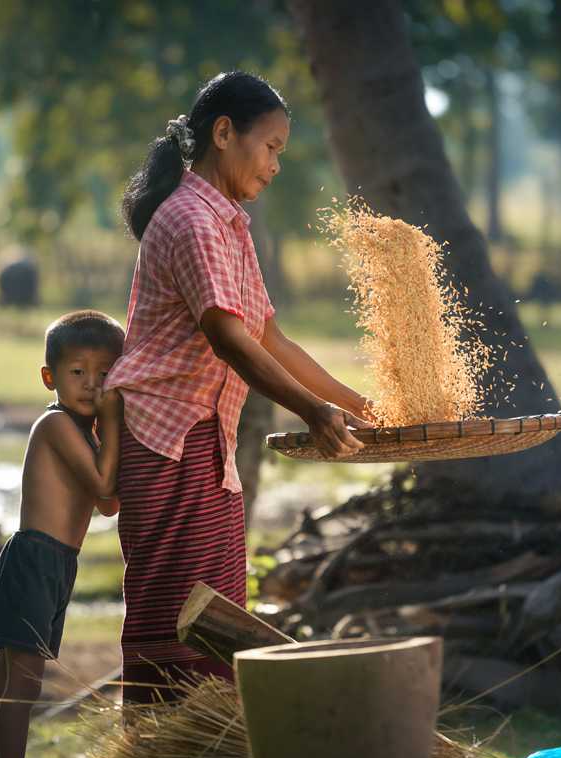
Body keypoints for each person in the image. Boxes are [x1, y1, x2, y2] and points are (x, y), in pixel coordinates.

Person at [106, 70, 373, 703]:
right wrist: (313, 410)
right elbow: (229, 337)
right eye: (272, 146)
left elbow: (271, 339)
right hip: (168, 441)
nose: (277, 165)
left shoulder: (228, 224)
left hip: (206, 442)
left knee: (220, 614)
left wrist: (363, 406)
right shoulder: (192, 219)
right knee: (176, 619)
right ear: (224, 133)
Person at [0, 309, 125, 758]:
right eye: (77, 372)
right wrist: (112, 417)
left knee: (2, 681)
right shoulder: (56, 427)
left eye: (105, 373)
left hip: (58, 563)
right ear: (50, 377)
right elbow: (108, 484)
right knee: (22, 686)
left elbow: (108, 504)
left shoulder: (86, 435)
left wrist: (108, 433)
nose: (91, 384)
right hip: (35, 559)